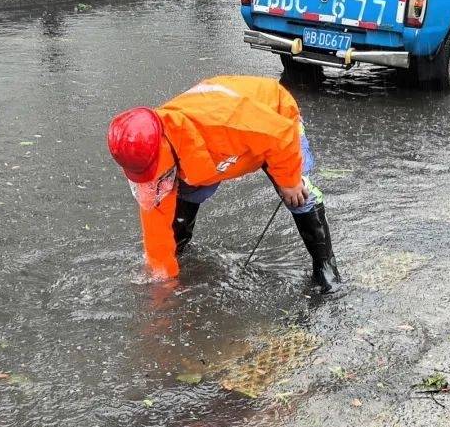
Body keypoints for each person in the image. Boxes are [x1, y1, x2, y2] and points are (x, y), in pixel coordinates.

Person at [106, 75, 342, 293]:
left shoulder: (226, 121)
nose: (157, 181)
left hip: (275, 123)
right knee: (184, 192)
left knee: (298, 194)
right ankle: (180, 251)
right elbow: (155, 212)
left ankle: (325, 267)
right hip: (216, 152)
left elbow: (280, 134)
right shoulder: (155, 149)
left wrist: (289, 181)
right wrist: (161, 274)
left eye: (157, 173)